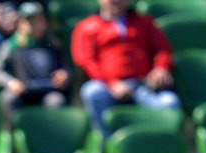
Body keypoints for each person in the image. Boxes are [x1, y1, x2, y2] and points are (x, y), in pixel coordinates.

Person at [70, 0, 181, 138]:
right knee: (92, 92)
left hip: (143, 85)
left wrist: (161, 68)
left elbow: (163, 50)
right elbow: (86, 61)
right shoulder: (86, 27)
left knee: (169, 102)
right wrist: (112, 83)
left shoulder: (144, 21)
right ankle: (107, 144)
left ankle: (163, 146)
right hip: (107, 86)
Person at [0, 2, 71, 121]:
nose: (33, 25)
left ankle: (53, 136)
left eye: (37, 20)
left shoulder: (53, 43)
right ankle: (13, 135)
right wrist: (10, 82)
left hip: (46, 91)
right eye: (29, 21)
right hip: (22, 92)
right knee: (8, 99)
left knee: (56, 100)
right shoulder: (11, 45)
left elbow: (66, 67)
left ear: (44, 22)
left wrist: (64, 74)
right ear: (21, 24)